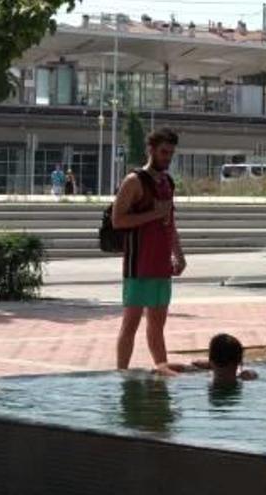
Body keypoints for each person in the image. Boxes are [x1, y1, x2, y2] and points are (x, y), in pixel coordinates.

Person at [112, 128, 186, 376]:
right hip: (138, 264)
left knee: (157, 326)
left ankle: (162, 371)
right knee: (130, 323)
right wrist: (154, 213)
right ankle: (121, 373)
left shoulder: (167, 182)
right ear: (151, 150)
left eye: (171, 153)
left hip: (161, 264)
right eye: (164, 152)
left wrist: (179, 253)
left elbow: (171, 222)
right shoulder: (134, 181)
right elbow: (118, 220)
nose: (167, 158)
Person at [189, 333, 258, 385]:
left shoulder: (200, 379)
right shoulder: (248, 376)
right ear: (240, 361)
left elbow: (181, 367)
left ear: (210, 359)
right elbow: (252, 373)